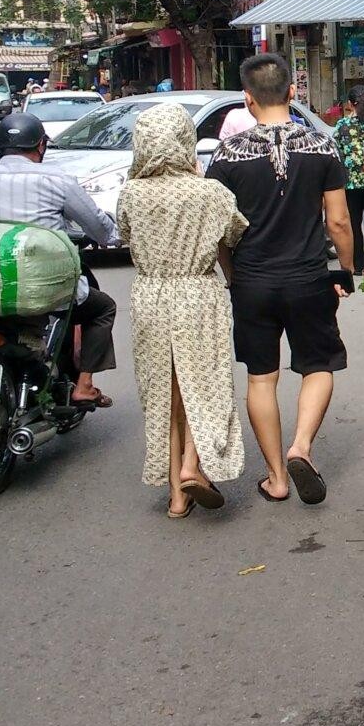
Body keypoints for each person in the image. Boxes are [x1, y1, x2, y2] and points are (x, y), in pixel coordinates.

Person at [206, 53, 353, 505]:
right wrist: (344, 271)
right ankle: (301, 447)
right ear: (293, 93)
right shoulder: (322, 147)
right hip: (308, 277)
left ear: (247, 100)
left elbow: (219, 230)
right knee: (319, 366)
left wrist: (233, 275)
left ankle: (276, 478)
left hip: (252, 281)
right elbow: (339, 222)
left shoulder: (227, 155)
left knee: (260, 379)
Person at [116, 105, 248, 519]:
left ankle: (176, 494)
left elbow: (124, 236)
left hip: (150, 295)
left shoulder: (130, 193)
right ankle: (195, 464)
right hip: (197, 292)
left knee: (164, 391)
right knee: (203, 383)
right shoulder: (210, 192)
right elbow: (235, 233)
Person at [0, 109, 118, 407]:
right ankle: (83, 386)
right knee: (102, 308)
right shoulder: (57, 180)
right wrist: (115, 234)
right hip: (44, 286)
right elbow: (99, 228)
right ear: (41, 145)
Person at [332, 88, 364, 275]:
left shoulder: (342, 125)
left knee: (353, 224)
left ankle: (357, 265)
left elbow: (336, 154)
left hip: (350, 183)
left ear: (350, 104)